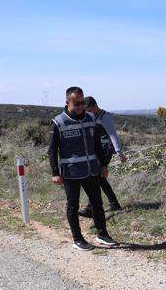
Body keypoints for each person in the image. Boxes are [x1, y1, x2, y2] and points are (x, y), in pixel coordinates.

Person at [47, 87, 118, 251]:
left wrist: (104, 165)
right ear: (67, 102)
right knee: (73, 206)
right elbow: (52, 150)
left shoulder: (91, 118)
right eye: (76, 103)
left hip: (92, 170)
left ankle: (102, 234)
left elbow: (97, 145)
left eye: (82, 103)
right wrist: (55, 173)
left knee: (97, 203)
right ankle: (77, 239)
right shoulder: (59, 122)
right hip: (71, 172)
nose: (80, 106)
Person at [77, 96, 127, 218]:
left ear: (94, 106)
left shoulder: (105, 117)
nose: (86, 112)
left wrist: (119, 152)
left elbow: (113, 135)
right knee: (101, 179)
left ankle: (90, 208)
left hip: (106, 149)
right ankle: (114, 203)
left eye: (87, 110)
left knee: (95, 177)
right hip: (97, 149)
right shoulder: (92, 116)